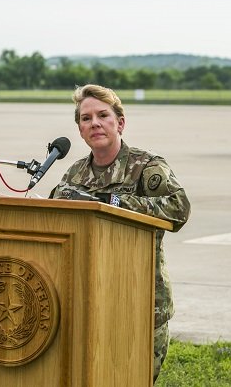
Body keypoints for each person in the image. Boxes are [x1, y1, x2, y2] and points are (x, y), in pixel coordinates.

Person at [50, 84, 190, 383]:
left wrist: (112, 202)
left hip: (139, 299)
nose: (95, 123)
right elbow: (52, 217)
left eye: (103, 115)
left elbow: (179, 209)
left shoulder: (146, 166)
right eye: (86, 119)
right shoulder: (74, 173)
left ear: (120, 123)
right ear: (79, 130)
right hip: (87, 299)